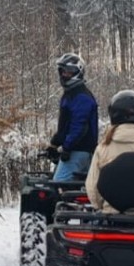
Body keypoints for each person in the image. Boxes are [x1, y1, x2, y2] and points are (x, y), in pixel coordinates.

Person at [48, 52, 98, 180]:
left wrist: (66, 147)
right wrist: (54, 144)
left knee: (58, 183)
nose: (65, 75)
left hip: (80, 150)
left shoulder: (81, 96)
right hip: (75, 149)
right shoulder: (70, 94)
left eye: (69, 72)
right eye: (63, 72)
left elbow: (79, 126)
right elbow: (65, 126)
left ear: (78, 73)